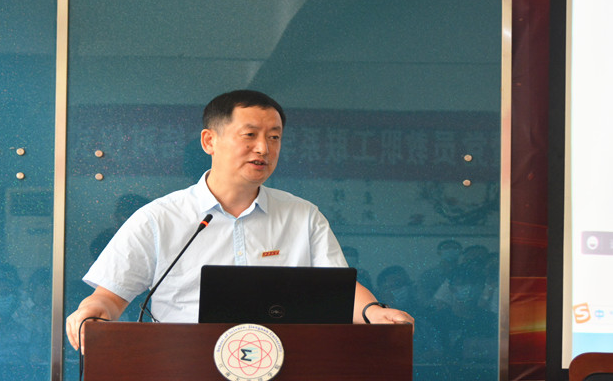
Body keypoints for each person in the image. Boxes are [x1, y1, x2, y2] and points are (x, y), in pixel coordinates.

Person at [66, 90, 414, 351]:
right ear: (209, 141)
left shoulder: (302, 215)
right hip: (183, 363)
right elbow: (109, 297)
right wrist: (90, 312)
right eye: (250, 135)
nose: (264, 148)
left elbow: (338, 291)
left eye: (274, 137)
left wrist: (373, 312)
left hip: (286, 364)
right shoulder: (159, 218)